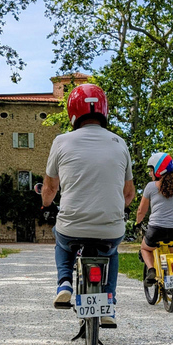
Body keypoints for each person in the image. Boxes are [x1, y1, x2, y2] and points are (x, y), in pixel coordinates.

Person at [41, 83, 134, 328]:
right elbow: (129, 192)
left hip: (72, 226)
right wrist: (118, 207)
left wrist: (46, 205)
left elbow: (50, 189)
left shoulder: (61, 141)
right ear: (104, 111)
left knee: (60, 239)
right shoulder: (119, 143)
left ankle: (64, 283)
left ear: (72, 111)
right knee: (111, 252)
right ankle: (108, 305)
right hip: (109, 228)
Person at [133, 152, 173, 285]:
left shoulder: (151, 187)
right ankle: (172, 277)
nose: (150, 173)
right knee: (172, 253)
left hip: (156, 229)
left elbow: (141, 211)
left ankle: (151, 270)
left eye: (151, 170)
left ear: (159, 170)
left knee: (145, 249)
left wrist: (138, 223)